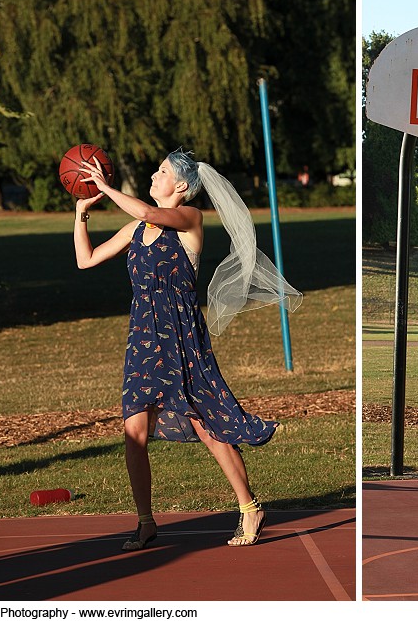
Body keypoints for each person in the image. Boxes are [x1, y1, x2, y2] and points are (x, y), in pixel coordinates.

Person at [73, 148, 302, 550]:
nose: (153, 173)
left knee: (206, 424)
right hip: (143, 337)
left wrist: (107, 188)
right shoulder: (134, 230)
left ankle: (250, 507)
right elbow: (85, 260)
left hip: (181, 336)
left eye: (161, 171)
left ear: (180, 186)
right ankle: (145, 521)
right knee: (134, 431)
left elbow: (148, 213)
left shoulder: (189, 220)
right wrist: (81, 214)